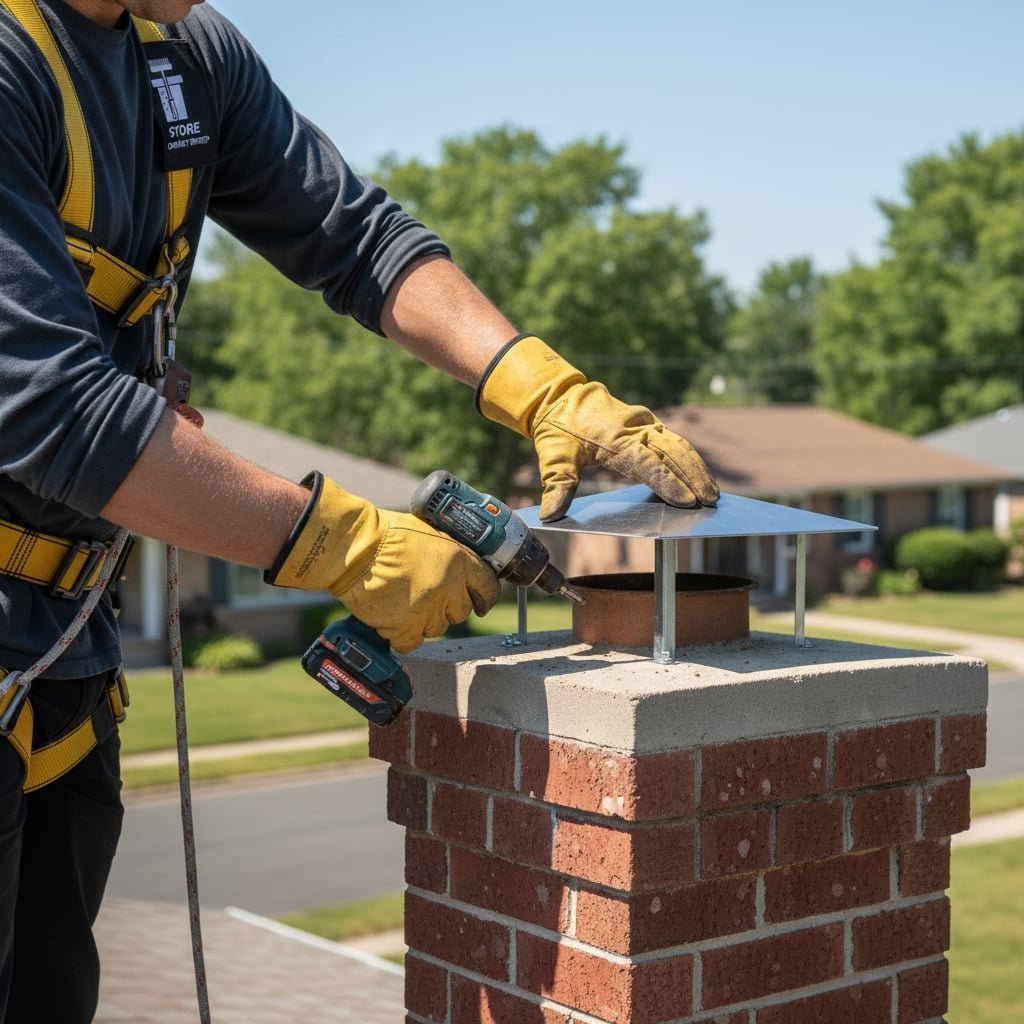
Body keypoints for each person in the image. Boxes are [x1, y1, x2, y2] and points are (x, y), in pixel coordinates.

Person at [0, 1, 720, 1020]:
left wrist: (542, 387)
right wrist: (343, 544)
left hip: (65, 653)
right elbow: (49, 407)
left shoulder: (187, 52)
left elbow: (354, 236)